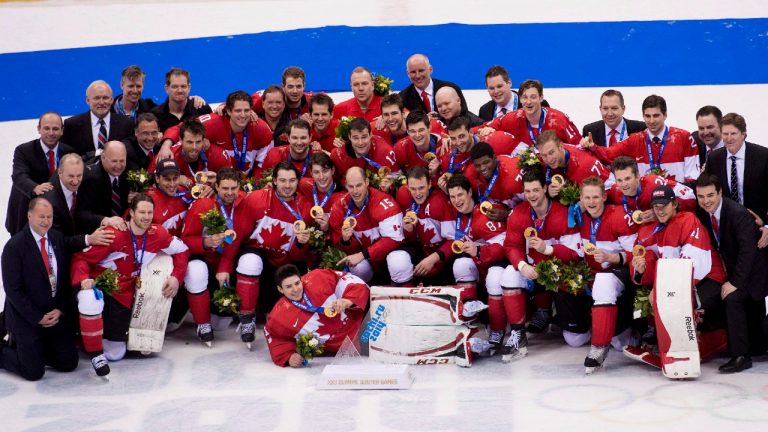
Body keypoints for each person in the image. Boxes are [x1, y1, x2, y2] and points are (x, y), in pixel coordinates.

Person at [71, 194, 189, 377]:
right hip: (104, 288)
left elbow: (183, 249)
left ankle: (105, 335)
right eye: (142, 212)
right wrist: (83, 280)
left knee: (115, 353)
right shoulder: (114, 234)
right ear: (131, 213)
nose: (146, 217)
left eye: (150, 212)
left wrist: (176, 277)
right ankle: (87, 341)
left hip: (126, 293)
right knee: (90, 301)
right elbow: (81, 259)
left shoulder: (157, 233)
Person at [625, 184, 728, 370]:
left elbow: (696, 263)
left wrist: (666, 289)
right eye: (656, 207)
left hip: (709, 278)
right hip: (682, 280)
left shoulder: (688, 220)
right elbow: (652, 259)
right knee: (659, 297)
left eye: (664, 205)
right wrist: (642, 269)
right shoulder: (656, 229)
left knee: (677, 301)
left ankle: (707, 342)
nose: (660, 210)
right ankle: (670, 346)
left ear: (674, 204)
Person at [216, 162, 312, 348]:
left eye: (292, 180)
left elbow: (298, 256)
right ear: (274, 181)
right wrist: (224, 267)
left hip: (282, 265)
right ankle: (246, 318)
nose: (287, 185)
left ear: (297, 182)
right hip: (258, 255)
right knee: (249, 262)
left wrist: (301, 242)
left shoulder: (305, 209)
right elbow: (237, 236)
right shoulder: (256, 200)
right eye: (282, 180)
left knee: (275, 317)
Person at [500, 169, 581, 362]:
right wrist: (521, 265)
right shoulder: (518, 214)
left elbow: (576, 255)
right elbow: (511, 245)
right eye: (528, 191)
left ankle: (568, 321)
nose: (532, 195)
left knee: (575, 340)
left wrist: (548, 250)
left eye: (536, 190)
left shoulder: (563, 211)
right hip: (533, 272)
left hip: (561, 272)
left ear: (545, 188)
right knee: (509, 274)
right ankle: (518, 335)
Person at [0, 198, 82, 381]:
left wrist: (60, 309)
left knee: (69, 362)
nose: (46, 221)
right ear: (29, 216)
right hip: (27, 317)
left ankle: (34, 351)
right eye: (41, 217)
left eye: (49, 217)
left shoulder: (57, 238)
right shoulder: (15, 247)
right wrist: (37, 317)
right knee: (33, 372)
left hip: (53, 314)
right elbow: (13, 291)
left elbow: (62, 282)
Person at [694, 173, 768, 372]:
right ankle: (744, 344)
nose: (706, 201)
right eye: (701, 197)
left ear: (720, 192)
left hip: (755, 273)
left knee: (732, 298)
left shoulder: (737, 213)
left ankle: (741, 356)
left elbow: (748, 251)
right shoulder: (702, 212)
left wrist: (734, 283)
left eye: (710, 195)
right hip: (734, 269)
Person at [577, 177, 638, 373]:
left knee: (603, 282)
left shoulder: (619, 216)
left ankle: (599, 347)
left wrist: (611, 257)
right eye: (587, 198)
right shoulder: (579, 216)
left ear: (604, 196)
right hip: (593, 277)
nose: (592, 202)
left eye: (596, 197)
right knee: (574, 339)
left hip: (619, 273)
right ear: (581, 199)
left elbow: (636, 254)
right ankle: (612, 333)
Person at [181, 168, 246, 346]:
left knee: (222, 324)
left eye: (233, 188)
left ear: (239, 186)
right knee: (196, 270)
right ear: (216, 187)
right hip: (204, 259)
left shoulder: (243, 204)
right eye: (225, 188)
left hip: (227, 263)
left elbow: (237, 241)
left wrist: (224, 267)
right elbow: (185, 240)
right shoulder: (202, 205)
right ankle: (202, 324)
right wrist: (206, 243)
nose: (230, 193)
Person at [264, 264, 369, 367]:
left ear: (301, 279)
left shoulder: (318, 278)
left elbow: (349, 280)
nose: (295, 289)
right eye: (289, 286)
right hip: (350, 348)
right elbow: (275, 337)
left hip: (366, 323)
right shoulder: (278, 317)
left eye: (297, 283)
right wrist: (288, 357)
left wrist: (348, 300)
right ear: (280, 289)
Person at [581, 95, 699, 184]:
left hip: (677, 202)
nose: (652, 121)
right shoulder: (635, 139)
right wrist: (593, 146)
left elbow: (693, 178)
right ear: (643, 116)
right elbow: (609, 154)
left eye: (656, 115)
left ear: (665, 115)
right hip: (646, 203)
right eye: (647, 116)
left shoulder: (684, 137)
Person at [161, 90, 274, 177]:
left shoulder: (261, 129)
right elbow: (179, 128)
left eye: (246, 110)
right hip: (216, 181)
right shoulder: (212, 123)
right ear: (228, 111)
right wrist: (166, 146)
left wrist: (253, 187)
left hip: (247, 182)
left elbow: (262, 167)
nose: (243, 115)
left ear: (251, 110)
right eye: (238, 111)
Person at [446, 174, 507, 329]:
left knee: (494, 277)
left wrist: (479, 251)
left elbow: (504, 247)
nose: (457, 200)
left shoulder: (484, 215)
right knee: (460, 264)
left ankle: (498, 328)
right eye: (452, 196)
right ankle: (470, 318)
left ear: (470, 193)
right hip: (478, 269)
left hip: (497, 268)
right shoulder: (455, 214)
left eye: (460, 195)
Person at [328, 167, 409, 284]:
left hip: (391, 255)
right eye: (351, 186)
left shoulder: (383, 201)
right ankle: (366, 295)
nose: (355, 191)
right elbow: (342, 249)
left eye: (359, 185)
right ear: (346, 185)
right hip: (369, 261)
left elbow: (395, 239)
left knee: (398, 261)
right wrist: (345, 241)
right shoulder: (339, 208)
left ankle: (404, 292)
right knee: (357, 267)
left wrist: (363, 254)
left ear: (367, 182)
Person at [6, 112, 75, 235]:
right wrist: (35, 187)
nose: (51, 133)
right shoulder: (23, 150)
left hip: (56, 216)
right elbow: (19, 175)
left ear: (62, 131)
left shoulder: (69, 152)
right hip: (25, 212)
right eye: (46, 128)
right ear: (39, 129)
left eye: (55, 129)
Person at [703, 113, 768, 241]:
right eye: (725, 134)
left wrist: (767, 225)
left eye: (733, 133)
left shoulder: (763, 156)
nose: (728, 138)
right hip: (727, 229)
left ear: (743, 134)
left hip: (758, 227)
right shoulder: (714, 158)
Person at [395, 167, 456, 284]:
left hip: (443, 258)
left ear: (429, 184)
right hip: (422, 254)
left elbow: (454, 240)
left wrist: (433, 259)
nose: (417, 193)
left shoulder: (440, 201)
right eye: (413, 189)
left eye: (421, 188)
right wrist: (408, 230)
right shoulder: (403, 196)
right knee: (397, 258)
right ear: (408, 187)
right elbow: (411, 240)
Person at [478, 79, 581, 146]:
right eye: (525, 97)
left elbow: (578, 146)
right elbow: (483, 127)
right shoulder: (515, 117)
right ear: (520, 99)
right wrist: (488, 129)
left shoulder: (559, 119)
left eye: (533, 97)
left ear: (541, 98)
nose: (528, 102)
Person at [149, 119, 231, 196]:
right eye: (189, 142)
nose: (194, 147)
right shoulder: (167, 157)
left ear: (203, 140)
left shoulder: (217, 155)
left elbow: (232, 179)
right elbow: (150, 183)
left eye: (198, 142)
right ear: (180, 140)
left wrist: (218, 182)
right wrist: (175, 180)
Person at [607, 156, 696, 224]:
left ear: (637, 176)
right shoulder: (615, 191)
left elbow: (690, 197)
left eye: (627, 179)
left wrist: (662, 212)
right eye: (619, 180)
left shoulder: (654, 184)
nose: (624, 184)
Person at [63, 80, 134, 159]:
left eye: (105, 98)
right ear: (88, 100)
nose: (101, 102)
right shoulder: (72, 125)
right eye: (97, 98)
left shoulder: (127, 124)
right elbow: (67, 158)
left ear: (111, 100)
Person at [535, 130, 614, 200]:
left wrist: (563, 191)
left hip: (609, 193)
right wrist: (549, 191)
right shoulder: (551, 151)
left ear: (560, 146)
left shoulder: (582, 169)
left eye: (551, 153)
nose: (549, 159)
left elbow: (589, 202)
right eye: (544, 155)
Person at [75, 140, 130, 234]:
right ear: (103, 158)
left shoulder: (127, 172)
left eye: (122, 161)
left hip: (121, 229)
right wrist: (105, 220)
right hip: (96, 232)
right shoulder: (90, 178)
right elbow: (81, 214)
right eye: (114, 161)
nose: (118, 165)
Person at [463, 142, 524, 221]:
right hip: (501, 206)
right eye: (478, 165)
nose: (482, 168)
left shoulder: (512, 173)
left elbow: (535, 202)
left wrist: (508, 214)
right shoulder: (470, 174)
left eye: (486, 162)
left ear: (494, 157)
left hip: (521, 212)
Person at [329, 118, 397, 184]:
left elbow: (398, 182)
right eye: (355, 138)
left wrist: (388, 188)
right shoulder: (337, 155)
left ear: (370, 135)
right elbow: (334, 182)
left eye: (364, 137)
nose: (360, 142)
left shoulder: (385, 152)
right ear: (349, 137)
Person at [398, 53, 468, 114]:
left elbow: (464, 115)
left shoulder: (451, 88)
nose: (418, 76)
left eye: (421, 70)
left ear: (430, 69)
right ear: (408, 73)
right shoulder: (402, 98)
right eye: (413, 72)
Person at [151, 68, 213, 132]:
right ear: (166, 88)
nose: (180, 91)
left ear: (189, 88)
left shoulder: (202, 109)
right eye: (175, 87)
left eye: (183, 86)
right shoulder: (155, 116)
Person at [581, 90, 646, 147]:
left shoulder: (641, 129)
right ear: (600, 109)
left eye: (614, 108)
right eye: (605, 108)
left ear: (623, 109)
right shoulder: (590, 131)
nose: (610, 114)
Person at [146, 159, 189, 237]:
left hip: (185, 245)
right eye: (167, 179)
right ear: (157, 179)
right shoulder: (146, 200)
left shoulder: (186, 192)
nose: (172, 184)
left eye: (175, 178)